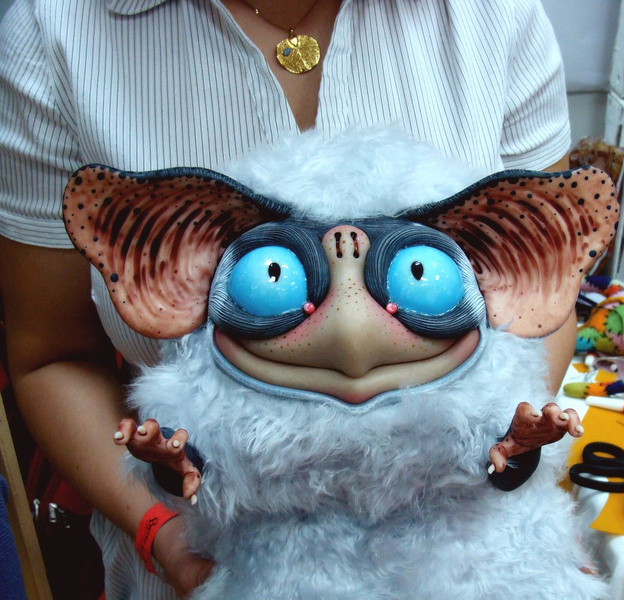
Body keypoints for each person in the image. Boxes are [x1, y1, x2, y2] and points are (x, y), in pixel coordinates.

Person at [0, 0, 580, 597]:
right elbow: (51, 357)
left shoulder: (499, 16)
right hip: (218, 561)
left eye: (415, 273)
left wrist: (502, 447)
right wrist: (165, 523)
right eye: (272, 276)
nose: (351, 329)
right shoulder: (54, 29)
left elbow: (540, 294)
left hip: (468, 557)